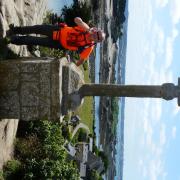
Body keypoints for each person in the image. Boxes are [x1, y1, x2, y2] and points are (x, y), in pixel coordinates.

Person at [5, 17, 106, 66]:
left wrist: (72, 64)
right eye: (97, 33)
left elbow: (81, 61)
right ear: (96, 29)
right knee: (36, 28)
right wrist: (88, 29)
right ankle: (15, 30)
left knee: (35, 40)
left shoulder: (89, 48)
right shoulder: (86, 28)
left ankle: (12, 39)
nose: (95, 35)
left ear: (98, 41)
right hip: (57, 30)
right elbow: (76, 19)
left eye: (98, 37)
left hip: (58, 44)